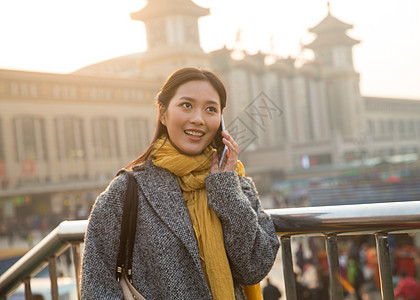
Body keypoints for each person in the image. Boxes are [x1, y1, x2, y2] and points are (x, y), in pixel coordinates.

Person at [80, 67, 280, 299]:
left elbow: (254, 267)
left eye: (210, 109)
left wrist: (226, 189)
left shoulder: (233, 182)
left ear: (221, 121)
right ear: (163, 114)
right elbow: (95, 285)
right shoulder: (127, 190)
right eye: (186, 105)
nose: (198, 119)